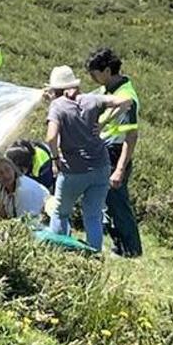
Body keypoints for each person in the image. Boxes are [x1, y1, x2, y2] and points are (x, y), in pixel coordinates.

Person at [44, 65, 134, 251]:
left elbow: (51, 137)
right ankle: (94, 254)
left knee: (61, 213)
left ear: (56, 89)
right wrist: (104, 122)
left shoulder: (57, 106)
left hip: (73, 170)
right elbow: (126, 101)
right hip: (100, 167)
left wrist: (55, 159)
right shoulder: (92, 99)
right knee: (93, 215)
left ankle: (57, 250)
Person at [87, 47, 143, 257]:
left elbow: (131, 136)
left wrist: (120, 168)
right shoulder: (107, 90)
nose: (92, 78)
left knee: (118, 202)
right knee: (109, 201)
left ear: (108, 71)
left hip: (117, 152)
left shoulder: (126, 97)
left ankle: (131, 248)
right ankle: (120, 245)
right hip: (105, 149)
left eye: (95, 73)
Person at [0, 155, 49, 221]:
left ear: (13, 168)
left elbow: (24, 223)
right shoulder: (0, 187)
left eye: (7, 169)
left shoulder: (23, 191)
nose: (5, 175)